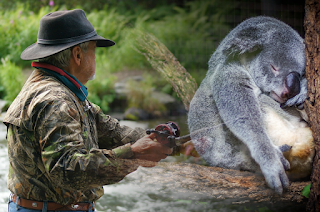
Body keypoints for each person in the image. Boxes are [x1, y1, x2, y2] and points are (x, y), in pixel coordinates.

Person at [3, 9, 173, 212]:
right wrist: (134, 153)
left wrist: (167, 142)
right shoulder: (56, 101)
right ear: (77, 55)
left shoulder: (55, 88)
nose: (95, 57)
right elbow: (68, 171)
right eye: (93, 50)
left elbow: (112, 132)